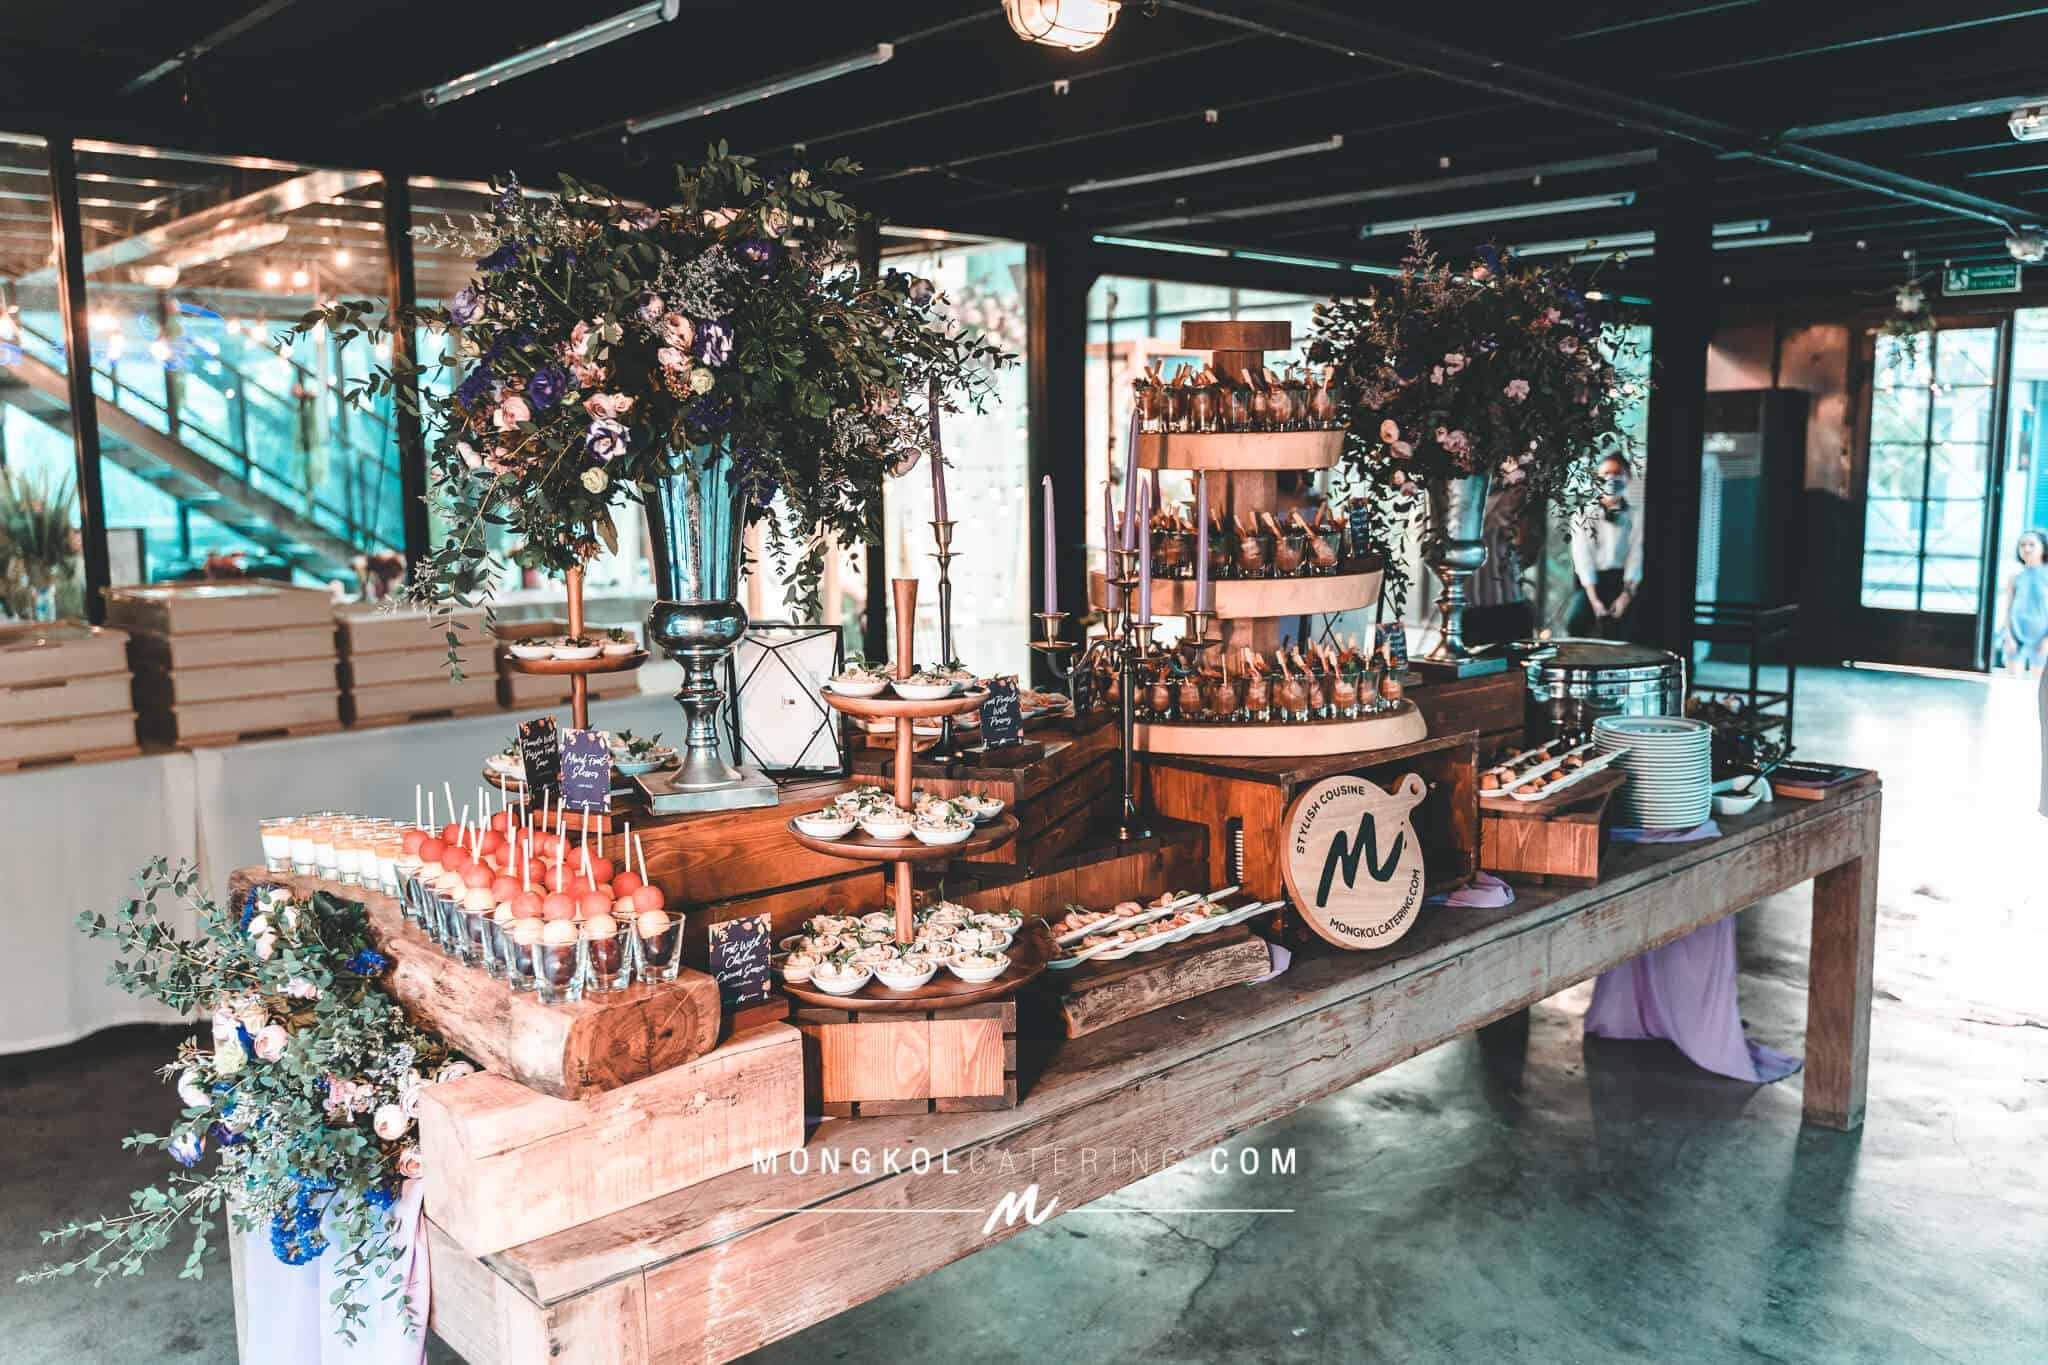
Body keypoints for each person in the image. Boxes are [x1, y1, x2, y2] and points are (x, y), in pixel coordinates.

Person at [1567, 455, 1642, 639]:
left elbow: (1636, 556)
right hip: (1591, 583)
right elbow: (1582, 558)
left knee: (1629, 630)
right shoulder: (1582, 514)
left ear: (1628, 477)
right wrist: (1594, 601)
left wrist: (1625, 596)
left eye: (1617, 473)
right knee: (1576, 623)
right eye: (1606, 473)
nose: (1611, 478)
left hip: (1623, 582)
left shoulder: (1637, 516)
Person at [1464, 481, 1537, 645]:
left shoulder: (1512, 498)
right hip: (1479, 611)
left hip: (1506, 608)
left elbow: (1526, 547)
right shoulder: (1490, 501)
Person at [1999, 529, 2048, 672]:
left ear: (2043, 547)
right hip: (2016, 638)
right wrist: (2008, 636)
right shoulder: (2015, 577)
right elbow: (2008, 609)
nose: (2026, 548)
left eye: (2032, 544)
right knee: (2012, 678)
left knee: (2038, 681)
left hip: (2042, 639)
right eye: (2022, 545)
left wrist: (2047, 640)